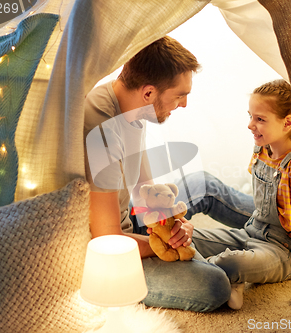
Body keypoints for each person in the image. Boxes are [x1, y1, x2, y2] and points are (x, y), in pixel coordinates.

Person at [83, 36, 232, 312]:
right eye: (179, 95)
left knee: (204, 184)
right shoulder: (102, 128)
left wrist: (175, 226)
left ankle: (272, 230)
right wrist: (162, 244)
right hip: (106, 250)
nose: (184, 104)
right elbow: (107, 238)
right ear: (149, 93)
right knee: (214, 286)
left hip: (129, 221)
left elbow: (145, 192)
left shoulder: (134, 109)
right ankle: (254, 251)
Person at [182, 79, 291, 310]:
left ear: (287, 123)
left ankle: (222, 274)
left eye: (260, 119)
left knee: (231, 261)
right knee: (189, 237)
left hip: (281, 251)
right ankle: (225, 278)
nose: (250, 125)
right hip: (250, 230)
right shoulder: (261, 149)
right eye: (250, 116)